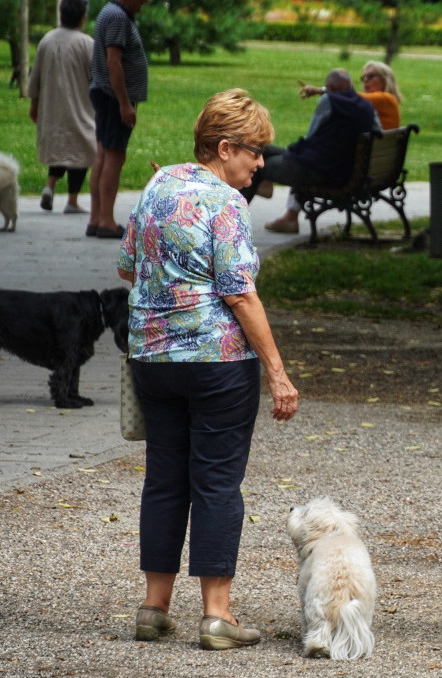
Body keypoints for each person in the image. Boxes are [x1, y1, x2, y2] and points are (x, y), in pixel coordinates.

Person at [118, 88, 299, 651]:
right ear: (224, 148)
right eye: (255, 151)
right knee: (217, 483)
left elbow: (127, 266)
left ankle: (154, 608)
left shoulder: (156, 184)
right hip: (216, 363)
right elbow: (239, 294)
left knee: (165, 479)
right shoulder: (227, 204)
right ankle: (217, 616)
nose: (262, 163)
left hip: (152, 359)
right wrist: (278, 370)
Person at [242, 67, 380, 234]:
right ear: (350, 85)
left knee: (258, 164)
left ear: (330, 87)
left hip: (322, 171)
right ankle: (263, 187)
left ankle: (235, 219)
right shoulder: (367, 106)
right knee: (263, 149)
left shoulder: (330, 100)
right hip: (345, 169)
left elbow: (311, 136)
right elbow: (378, 130)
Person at [87, 0, 150, 239]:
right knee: (113, 157)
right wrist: (125, 103)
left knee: (103, 155)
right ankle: (107, 221)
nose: (145, 1)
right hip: (113, 98)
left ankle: (96, 218)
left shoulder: (110, 13)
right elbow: (114, 62)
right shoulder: (117, 17)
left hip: (106, 95)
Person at [29, 0, 94, 214]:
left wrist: (34, 104)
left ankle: (50, 186)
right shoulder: (87, 43)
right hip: (80, 107)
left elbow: (34, 76)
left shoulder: (46, 40)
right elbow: (97, 78)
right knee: (81, 150)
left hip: (52, 107)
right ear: (82, 17)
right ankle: (72, 200)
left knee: (59, 147)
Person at [299, 60, 401, 129]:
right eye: (363, 77)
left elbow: (349, 96)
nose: (365, 80)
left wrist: (318, 90)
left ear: (385, 80)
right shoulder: (384, 102)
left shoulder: (386, 99)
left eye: (371, 76)